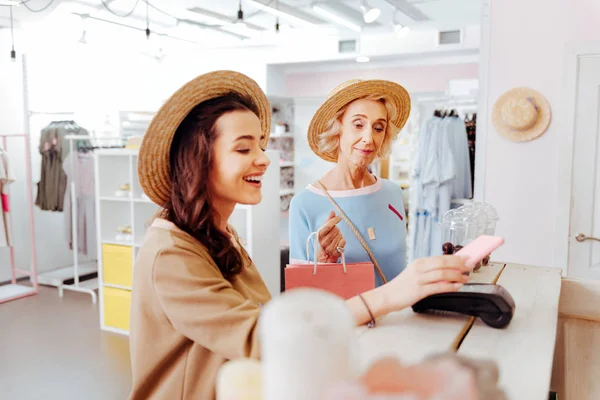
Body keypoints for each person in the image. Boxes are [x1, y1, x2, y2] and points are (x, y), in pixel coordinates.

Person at [129, 71, 476, 399]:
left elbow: (267, 317)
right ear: (199, 158)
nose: (264, 159)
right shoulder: (171, 253)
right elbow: (259, 337)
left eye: (261, 145)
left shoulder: (218, 234)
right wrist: (388, 296)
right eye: (244, 148)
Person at [289, 79, 419, 287]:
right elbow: (302, 293)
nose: (369, 138)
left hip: (401, 316)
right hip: (348, 319)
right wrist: (323, 259)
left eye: (378, 127)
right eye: (358, 125)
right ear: (337, 128)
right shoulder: (305, 204)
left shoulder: (392, 193)